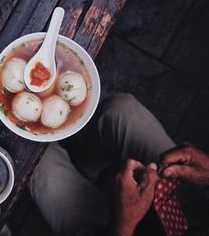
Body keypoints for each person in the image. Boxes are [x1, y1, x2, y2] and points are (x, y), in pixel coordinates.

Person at [29, 93, 209, 236]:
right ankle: (91, 163)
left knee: (35, 164)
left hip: (116, 230)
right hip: (194, 209)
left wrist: (123, 226)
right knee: (120, 110)